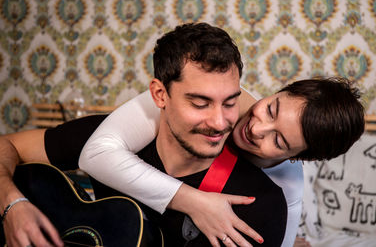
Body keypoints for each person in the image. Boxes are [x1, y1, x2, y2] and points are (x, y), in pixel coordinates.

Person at [0, 23, 289, 247]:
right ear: (159, 94)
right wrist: (12, 205)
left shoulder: (259, 206)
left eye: (230, 103)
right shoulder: (106, 135)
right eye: (200, 103)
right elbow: (7, 144)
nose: (219, 122)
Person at [79, 76, 365, 247]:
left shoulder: (283, 191)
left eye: (278, 142)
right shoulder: (220, 99)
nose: (256, 129)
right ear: (279, 91)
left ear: (297, 158)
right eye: (270, 108)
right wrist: (193, 201)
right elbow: (96, 154)